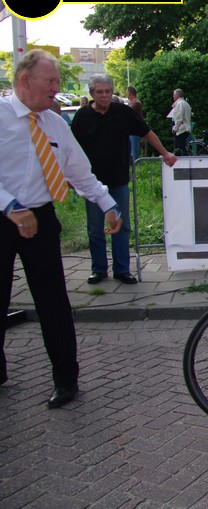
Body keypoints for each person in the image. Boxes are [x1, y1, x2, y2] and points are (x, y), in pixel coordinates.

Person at [0, 50, 123, 408]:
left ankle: (66, 380)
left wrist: (108, 205)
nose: (57, 87)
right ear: (25, 80)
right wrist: (10, 206)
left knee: (53, 301)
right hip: (3, 216)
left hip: (40, 219)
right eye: (50, 80)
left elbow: (79, 172)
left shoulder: (55, 124)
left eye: (57, 81)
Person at [71, 75, 177, 285]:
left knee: (122, 225)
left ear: (112, 92)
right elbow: (71, 148)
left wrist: (165, 152)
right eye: (99, 92)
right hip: (92, 183)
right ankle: (98, 269)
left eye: (107, 91)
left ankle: (122, 269)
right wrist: (70, 175)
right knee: (95, 227)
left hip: (118, 179)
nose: (104, 95)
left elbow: (146, 132)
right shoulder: (82, 116)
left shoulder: (123, 112)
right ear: (91, 94)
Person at [171, 88, 192, 156]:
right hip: (186, 128)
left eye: (173, 95)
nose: (173, 96)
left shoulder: (180, 104)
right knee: (183, 148)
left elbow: (179, 118)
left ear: (177, 95)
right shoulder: (186, 103)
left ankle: (181, 162)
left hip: (181, 130)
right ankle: (186, 160)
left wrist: (175, 128)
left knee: (178, 149)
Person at [126, 86, 144, 161]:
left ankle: (136, 164)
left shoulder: (136, 103)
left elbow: (127, 113)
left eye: (126, 92)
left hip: (135, 130)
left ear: (130, 93)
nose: (126, 94)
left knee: (135, 149)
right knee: (131, 148)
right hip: (130, 129)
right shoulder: (131, 103)